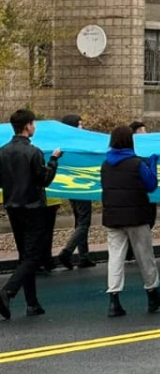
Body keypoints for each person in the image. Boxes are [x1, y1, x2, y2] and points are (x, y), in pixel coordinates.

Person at [100, 125, 160, 317]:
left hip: (113, 217)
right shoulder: (136, 164)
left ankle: (114, 300)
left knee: (115, 258)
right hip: (136, 217)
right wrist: (153, 164)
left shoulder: (105, 165)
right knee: (145, 257)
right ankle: (153, 294)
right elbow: (152, 185)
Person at [0, 108, 63, 319]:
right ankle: (7, 291)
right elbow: (44, 180)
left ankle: (32, 303)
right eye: (33, 124)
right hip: (33, 208)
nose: (34, 127)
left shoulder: (3, 152)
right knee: (33, 256)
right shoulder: (34, 152)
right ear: (27, 126)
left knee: (24, 255)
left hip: (12, 207)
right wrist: (54, 160)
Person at [56, 114, 95, 270]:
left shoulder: (64, 143)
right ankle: (67, 252)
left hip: (70, 186)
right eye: (79, 124)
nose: (82, 127)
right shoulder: (78, 143)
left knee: (79, 221)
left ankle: (83, 256)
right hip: (83, 186)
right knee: (84, 221)